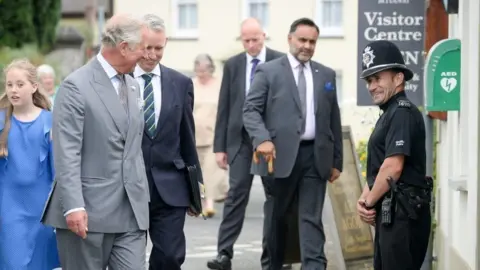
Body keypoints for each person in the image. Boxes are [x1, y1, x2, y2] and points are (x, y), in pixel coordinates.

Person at [41, 14, 151, 270]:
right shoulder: (75, 87)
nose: (147, 55)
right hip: (87, 212)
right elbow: (67, 153)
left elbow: (132, 148)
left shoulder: (134, 86)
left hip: (131, 212)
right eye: (142, 48)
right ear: (124, 48)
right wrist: (74, 206)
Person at [243, 18, 343, 270]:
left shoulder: (326, 75)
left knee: (311, 219)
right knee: (278, 218)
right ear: (290, 39)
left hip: (315, 158)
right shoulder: (268, 71)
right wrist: (262, 139)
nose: (307, 46)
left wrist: (337, 161)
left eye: (312, 41)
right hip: (278, 157)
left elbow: (333, 119)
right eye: (303, 40)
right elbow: (250, 110)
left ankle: (314, 266)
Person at [207, 17, 284, 270]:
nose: (251, 44)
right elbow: (225, 106)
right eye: (246, 40)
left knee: (275, 198)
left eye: (255, 39)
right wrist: (220, 147)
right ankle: (224, 254)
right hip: (239, 141)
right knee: (235, 196)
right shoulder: (233, 65)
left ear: (264, 36)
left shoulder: (280, 61)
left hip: (269, 142)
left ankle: (273, 257)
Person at [132, 14, 202, 270]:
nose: (151, 55)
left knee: (171, 256)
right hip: (129, 187)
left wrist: (196, 191)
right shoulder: (119, 81)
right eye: (146, 48)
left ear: (166, 44)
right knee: (128, 260)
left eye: (158, 48)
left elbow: (187, 138)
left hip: (170, 188)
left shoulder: (181, 84)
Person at [356, 40, 432, 270]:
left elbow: (393, 167)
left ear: (398, 78)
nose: (371, 86)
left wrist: (368, 202)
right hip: (393, 213)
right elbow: (382, 166)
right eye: (369, 80)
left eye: (378, 78)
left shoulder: (401, 112)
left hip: (403, 215)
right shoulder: (390, 113)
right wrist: (365, 200)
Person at [0, 59, 59, 270]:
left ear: (34, 86)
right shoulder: (1, 122)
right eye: (9, 85)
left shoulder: (50, 121)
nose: (13, 90)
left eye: (19, 84)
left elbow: (57, 172)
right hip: (8, 210)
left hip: (42, 211)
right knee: (13, 263)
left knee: (39, 264)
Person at [192, 53, 229, 217]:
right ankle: (199, 203)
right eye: (198, 70)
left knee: (211, 171)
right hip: (194, 136)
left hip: (214, 134)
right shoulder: (191, 84)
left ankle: (209, 204)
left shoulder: (219, 85)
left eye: (204, 70)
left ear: (211, 69)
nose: (201, 74)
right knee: (196, 173)